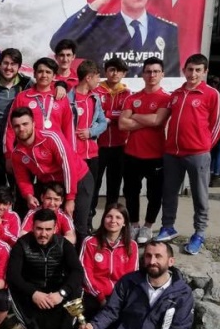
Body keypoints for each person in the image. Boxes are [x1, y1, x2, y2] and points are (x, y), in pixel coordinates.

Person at [49, 0, 180, 77]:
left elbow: (172, 78)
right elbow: (58, 44)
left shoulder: (168, 31)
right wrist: (97, 3)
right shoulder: (100, 28)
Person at [156, 54, 220, 256]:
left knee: (199, 195)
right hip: (173, 153)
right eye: (190, 69)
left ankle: (199, 233)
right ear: (184, 70)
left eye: (198, 70)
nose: (193, 74)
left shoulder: (211, 94)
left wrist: (204, 146)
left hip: (197, 154)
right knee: (169, 192)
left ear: (205, 72)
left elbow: (218, 123)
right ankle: (168, 226)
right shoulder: (176, 94)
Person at [7, 208, 84, 329]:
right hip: (33, 292)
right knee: (14, 289)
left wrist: (61, 293)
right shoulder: (22, 244)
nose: (43, 234)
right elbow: (13, 275)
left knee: (76, 288)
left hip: (57, 291)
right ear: (32, 227)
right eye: (39, 229)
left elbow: (77, 271)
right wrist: (34, 293)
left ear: (55, 228)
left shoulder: (64, 244)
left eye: (48, 229)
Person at [9, 107, 93, 245]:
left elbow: (68, 167)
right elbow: (22, 179)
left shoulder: (51, 138)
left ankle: (81, 257)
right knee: (39, 217)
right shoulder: (17, 153)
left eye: (25, 124)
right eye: (17, 126)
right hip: (50, 184)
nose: (21, 129)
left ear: (33, 123)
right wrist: (29, 195)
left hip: (78, 178)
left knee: (79, 225)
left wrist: (70, 198)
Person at [118, 56, 171, 244]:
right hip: (132, 154)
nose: (152, 75)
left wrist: (135, 115)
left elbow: (158, 121)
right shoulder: (133, 98)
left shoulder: (166, 98)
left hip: (156, 155)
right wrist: (149, 119)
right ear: (142, 74)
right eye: (148, 71)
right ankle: (134, 225)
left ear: (162, 74)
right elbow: (122, 124)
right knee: (131, 192)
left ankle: (148, 227)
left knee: (154, 194)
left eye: (156, 71)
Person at [0, 48, 31, 203]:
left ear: (19, 66)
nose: (9, 67)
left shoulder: (27, 84)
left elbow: (47, 87)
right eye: (6, 63)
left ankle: (21, 217)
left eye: (13, 64)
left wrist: (61, 85)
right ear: (0, 63)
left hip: (20, 145)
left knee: (22, 188)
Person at [3, 57, 75, 158]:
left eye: (48, 72)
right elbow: (10, 127)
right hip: (27, 154)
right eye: (40, 71)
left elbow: (68, 129)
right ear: (34, 74)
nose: (44, 75)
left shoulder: (61, 98)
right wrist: (9, 155)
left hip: (56, 154)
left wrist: (71, 154)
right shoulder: (22, 97)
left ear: (54, 76)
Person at [79, 203, 139, 321]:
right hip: (94, 295)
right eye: (109, 216)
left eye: (118, 217)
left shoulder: (132, 245)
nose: (113, 221)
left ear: (124, 223)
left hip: (119, 296)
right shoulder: (90, 242)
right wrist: (101, 297)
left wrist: (119, 298)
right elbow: (86, 272)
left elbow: (132, 276)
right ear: (103, 219)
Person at [93, 57, 131, 220]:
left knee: (114, 187)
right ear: (106, 71)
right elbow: (95, 116)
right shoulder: (96, 91)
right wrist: (112, 115)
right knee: (94, 185)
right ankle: (88, 220)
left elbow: (126, 116)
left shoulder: (127, 94)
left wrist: (107, 115)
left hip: (119, 146)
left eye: (119, 71)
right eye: (112, 70)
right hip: (97, 146)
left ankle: (109, 220)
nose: (115, 73)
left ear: (124, 74)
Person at [68, 60, 109, 178]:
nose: (98, 80)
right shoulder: (67, 99)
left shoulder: (95, 98)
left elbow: (103, 123)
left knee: (92, 188)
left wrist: (91, 132)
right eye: (97, 77)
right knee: (75, 188)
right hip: (74, 154)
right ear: (88, 78)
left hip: (92, 154)